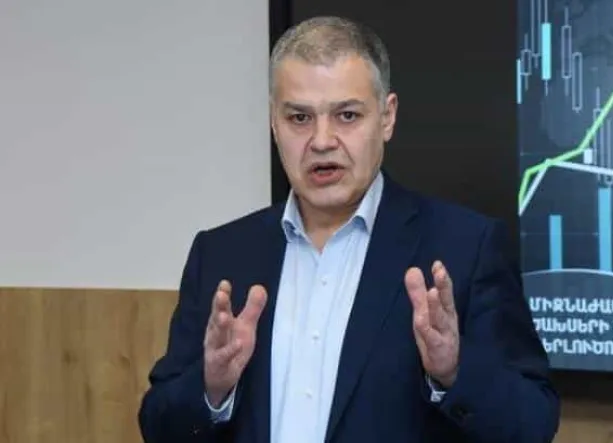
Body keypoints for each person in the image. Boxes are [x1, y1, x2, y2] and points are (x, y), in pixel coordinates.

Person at [138, 15, 559, 443]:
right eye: (299, 118)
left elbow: (533, 424)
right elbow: (158, 426)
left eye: (347, 115)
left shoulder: (465, 249)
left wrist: (454, 372)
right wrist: (211, 389)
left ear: (387, 117)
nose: (322, 141)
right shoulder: (221, 255)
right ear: (273, 123)